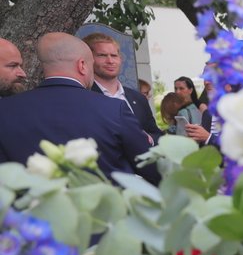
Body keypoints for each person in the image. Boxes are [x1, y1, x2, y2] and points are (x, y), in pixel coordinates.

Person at [0, 32, 159, 184]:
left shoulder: (5, 110)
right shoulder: (113, 109)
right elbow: (149, 165)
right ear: (82, 65)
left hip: (29, 209)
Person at [83, 33, 163, 144]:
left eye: (114, 55)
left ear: (120, 59)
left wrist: (149, 139)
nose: (110, 61)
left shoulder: (139, 98)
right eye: (102, 55)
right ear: (89, 60)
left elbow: (157, 134)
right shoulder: (83, 97)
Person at [173, 76, 213, 146]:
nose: (177, 91)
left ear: (190, 90)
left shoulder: (199, 107)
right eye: (176, 89)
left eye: (181, 88)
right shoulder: (176, 107)